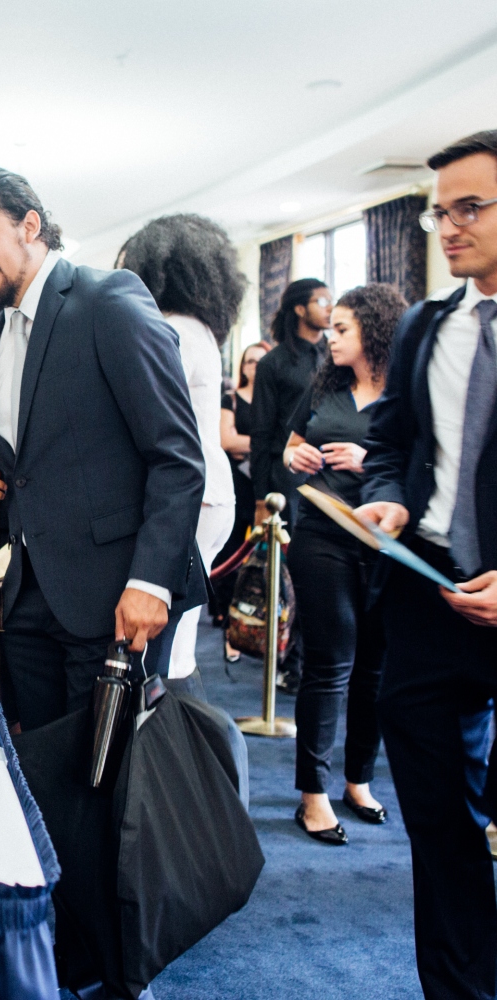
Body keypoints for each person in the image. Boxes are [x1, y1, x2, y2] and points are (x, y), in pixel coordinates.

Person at [0, 166, 205, 730]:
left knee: (110, 787)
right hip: (26, 599)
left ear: (30, 225)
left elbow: (177, 456)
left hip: (117, 596)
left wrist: (150, 582)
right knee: (42, 775)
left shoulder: (107, 300)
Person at [356, 130, 497, 1000]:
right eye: (437, 210)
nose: (445, 227)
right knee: (441, 828)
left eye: (468, 207)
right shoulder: (429, 326)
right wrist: (390, 495)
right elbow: (391, 443)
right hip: (428, 594)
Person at [281, 283, 404, 845]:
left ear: (374, 334)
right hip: (322, 532)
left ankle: (358, 781)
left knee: (374, 666)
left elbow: (421, 459)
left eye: (343, 329)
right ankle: (313, 793)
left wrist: (370, 458)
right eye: (332, 327)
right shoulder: (324, 385)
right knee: (331, 661)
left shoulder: (406, 392)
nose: (331, 337)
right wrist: (294, 455)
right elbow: (290, 444)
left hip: (384, 545)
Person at [117, 213, 247, 692]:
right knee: (178, 642)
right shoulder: (196, 329)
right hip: (208, 490)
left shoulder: (173, 329)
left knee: (164, 650)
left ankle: (175, 747)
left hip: (193, 496)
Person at [251, 277, 332, 513]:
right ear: (300, 309)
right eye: (323, 301)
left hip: (331, 476)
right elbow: (261, 433)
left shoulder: (336, 357)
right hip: (287, 479)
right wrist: (260, 498)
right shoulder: (272, 363)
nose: (330, 308)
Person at [217, 341, 269, 660]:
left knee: (264, 555)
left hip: (264, 482)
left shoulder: (272, 398)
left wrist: (246, 444)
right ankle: (228, 625)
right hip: (237, 481)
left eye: (260, 361)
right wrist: (262, 443)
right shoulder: (232, 398)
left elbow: (243, 442)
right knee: (233, 549)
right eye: (249, 361)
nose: (254, 366)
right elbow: (226, 440)